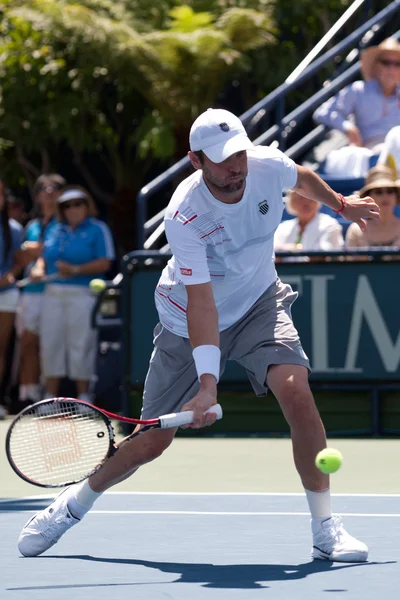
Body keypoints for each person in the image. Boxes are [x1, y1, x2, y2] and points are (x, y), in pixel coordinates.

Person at [18, 109, 380, 562]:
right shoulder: (184, 215)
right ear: (196, 160)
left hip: (258, 304)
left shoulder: (265, 164)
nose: (236, 166)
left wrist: (341, 205)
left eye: (240, 154)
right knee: (151, 441)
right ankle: (69, 507)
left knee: (297, 392)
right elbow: (202, 304)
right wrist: (207, 384)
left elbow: (302, 176)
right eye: (223, 158)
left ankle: (326, 529)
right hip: (185, 319)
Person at [30, 185, 115, 403]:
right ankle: (49, 398)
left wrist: (75, 270)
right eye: (67, 205)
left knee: (81, 343)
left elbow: (105, 262)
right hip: (53, 292)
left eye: (78, 204)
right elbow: (44, 256)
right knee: (51, 343)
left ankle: (84, 398)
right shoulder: (54, 228)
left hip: (83, 293)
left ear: (87, 206)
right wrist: (38, 268)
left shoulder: (98, 229)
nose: (72, 209)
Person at [313, 38, 400, 176]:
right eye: (386, 63)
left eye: (397, 64)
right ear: (376, 66)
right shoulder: (358, 90)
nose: (392, 69)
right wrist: (348, 127)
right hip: (371, 154)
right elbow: (323, 112)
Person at [15, 174, 65, 409]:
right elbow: (24, 255)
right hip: (30, 292)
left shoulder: (65, 225)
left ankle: (49, 396)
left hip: (54, 291)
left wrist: (38, 253)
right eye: (44, 189)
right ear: (37, 195)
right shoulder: (32, 227)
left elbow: (46, 252)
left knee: (51, 345)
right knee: (27, 341)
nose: (49, 193)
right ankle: (28, 394)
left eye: (54, 188)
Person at [0, 181, 24, 418]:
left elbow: (18, 261)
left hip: (5, 295)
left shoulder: (14, 228)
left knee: (1, 349)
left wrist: (10, 275)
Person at [274, 190, 344, 259]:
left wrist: (295, 250)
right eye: (300, 198)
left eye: (311, 197)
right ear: (292, 201)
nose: (306, 202)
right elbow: (272, 252)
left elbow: (324, 256)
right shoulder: (283, 227)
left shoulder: (330, 225)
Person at [346, 164, 400, 248]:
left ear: (396, 196)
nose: (385, 196)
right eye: (378, 192)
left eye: (390, 191)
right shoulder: (356, 230)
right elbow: (350, 260)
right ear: (368, 197)